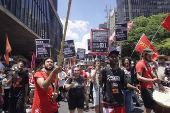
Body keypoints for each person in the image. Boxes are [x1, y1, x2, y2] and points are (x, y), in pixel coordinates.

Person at [136, 49, 168, 113]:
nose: (151, 57)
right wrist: (152, 80)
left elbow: (153, 74)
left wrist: (160, 84)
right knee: (148, 107)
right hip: (145, 89)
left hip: (150, 88)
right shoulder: (140, 64)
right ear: (144, 55)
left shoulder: (147, 64)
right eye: (149, 56)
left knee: (150, 106)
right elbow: (138, 77)